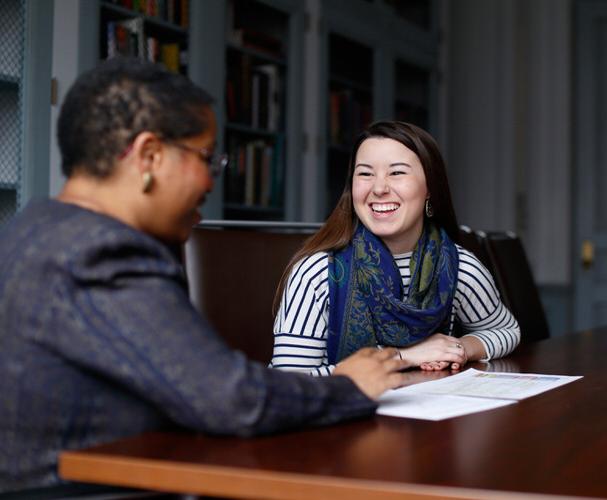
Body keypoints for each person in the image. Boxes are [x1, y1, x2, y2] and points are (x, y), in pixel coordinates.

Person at [0, 58, 407, 494]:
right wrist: (350, 386)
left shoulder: (35, 228)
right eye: (207, 158)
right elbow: (231, 400)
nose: (212, 181)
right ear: (149, 156)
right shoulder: (100, 253)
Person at [270, 121, 520, 376]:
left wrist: (459, 348)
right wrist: (403, 357)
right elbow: (289, 384)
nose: (379, 188)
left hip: (430, 413)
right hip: (344, 414)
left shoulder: (458, 266)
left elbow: (506, 331)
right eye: (365, 174)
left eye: (397, 173)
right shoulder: (318, 272)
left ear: (429, 188)